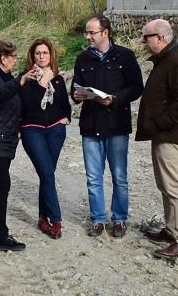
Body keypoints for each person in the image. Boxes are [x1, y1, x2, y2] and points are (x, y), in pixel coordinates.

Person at [70, 15, 143, 238]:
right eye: (86, 32)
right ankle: (98, 219)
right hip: (91, 126)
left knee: (119, 176)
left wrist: (115, 99)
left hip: (117, 125)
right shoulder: (82, 59)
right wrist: (76, 95)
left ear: (105, 32)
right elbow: (75, 86)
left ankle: (119, 219)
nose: (88, 36)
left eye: (92, 32)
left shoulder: (125, 56)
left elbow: (137, 87)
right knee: (93, 177)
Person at [136, 19, 178, 259]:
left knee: (175, 187)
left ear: (160, 38)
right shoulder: (169, 60)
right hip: (162, 134)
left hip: (170, 135)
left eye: (147, 38)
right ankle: (171, 230)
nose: (143, 42)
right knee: (165, 184)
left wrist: (160, 124)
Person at [0, 39, 37, 252]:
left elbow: (13, 102)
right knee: (0, 186)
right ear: (2, 58)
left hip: (6, 139)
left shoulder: (5, 76)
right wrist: (20, 81)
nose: (15, 60)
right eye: (13, 56)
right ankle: (0, 237)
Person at [19, 37, 72, 239]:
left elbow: (64, 103)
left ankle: (43, 217)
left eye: (45, 53)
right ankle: (56, 220)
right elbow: (29, 105)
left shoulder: (57, 78)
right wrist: (42, 82)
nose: (42, 56)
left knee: (46, 174)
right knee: (48, 175)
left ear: (51, 55)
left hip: (56, 132)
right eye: (38, 53)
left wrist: (65, 118)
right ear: (33, 55)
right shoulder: (25, 79)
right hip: (32, 131)